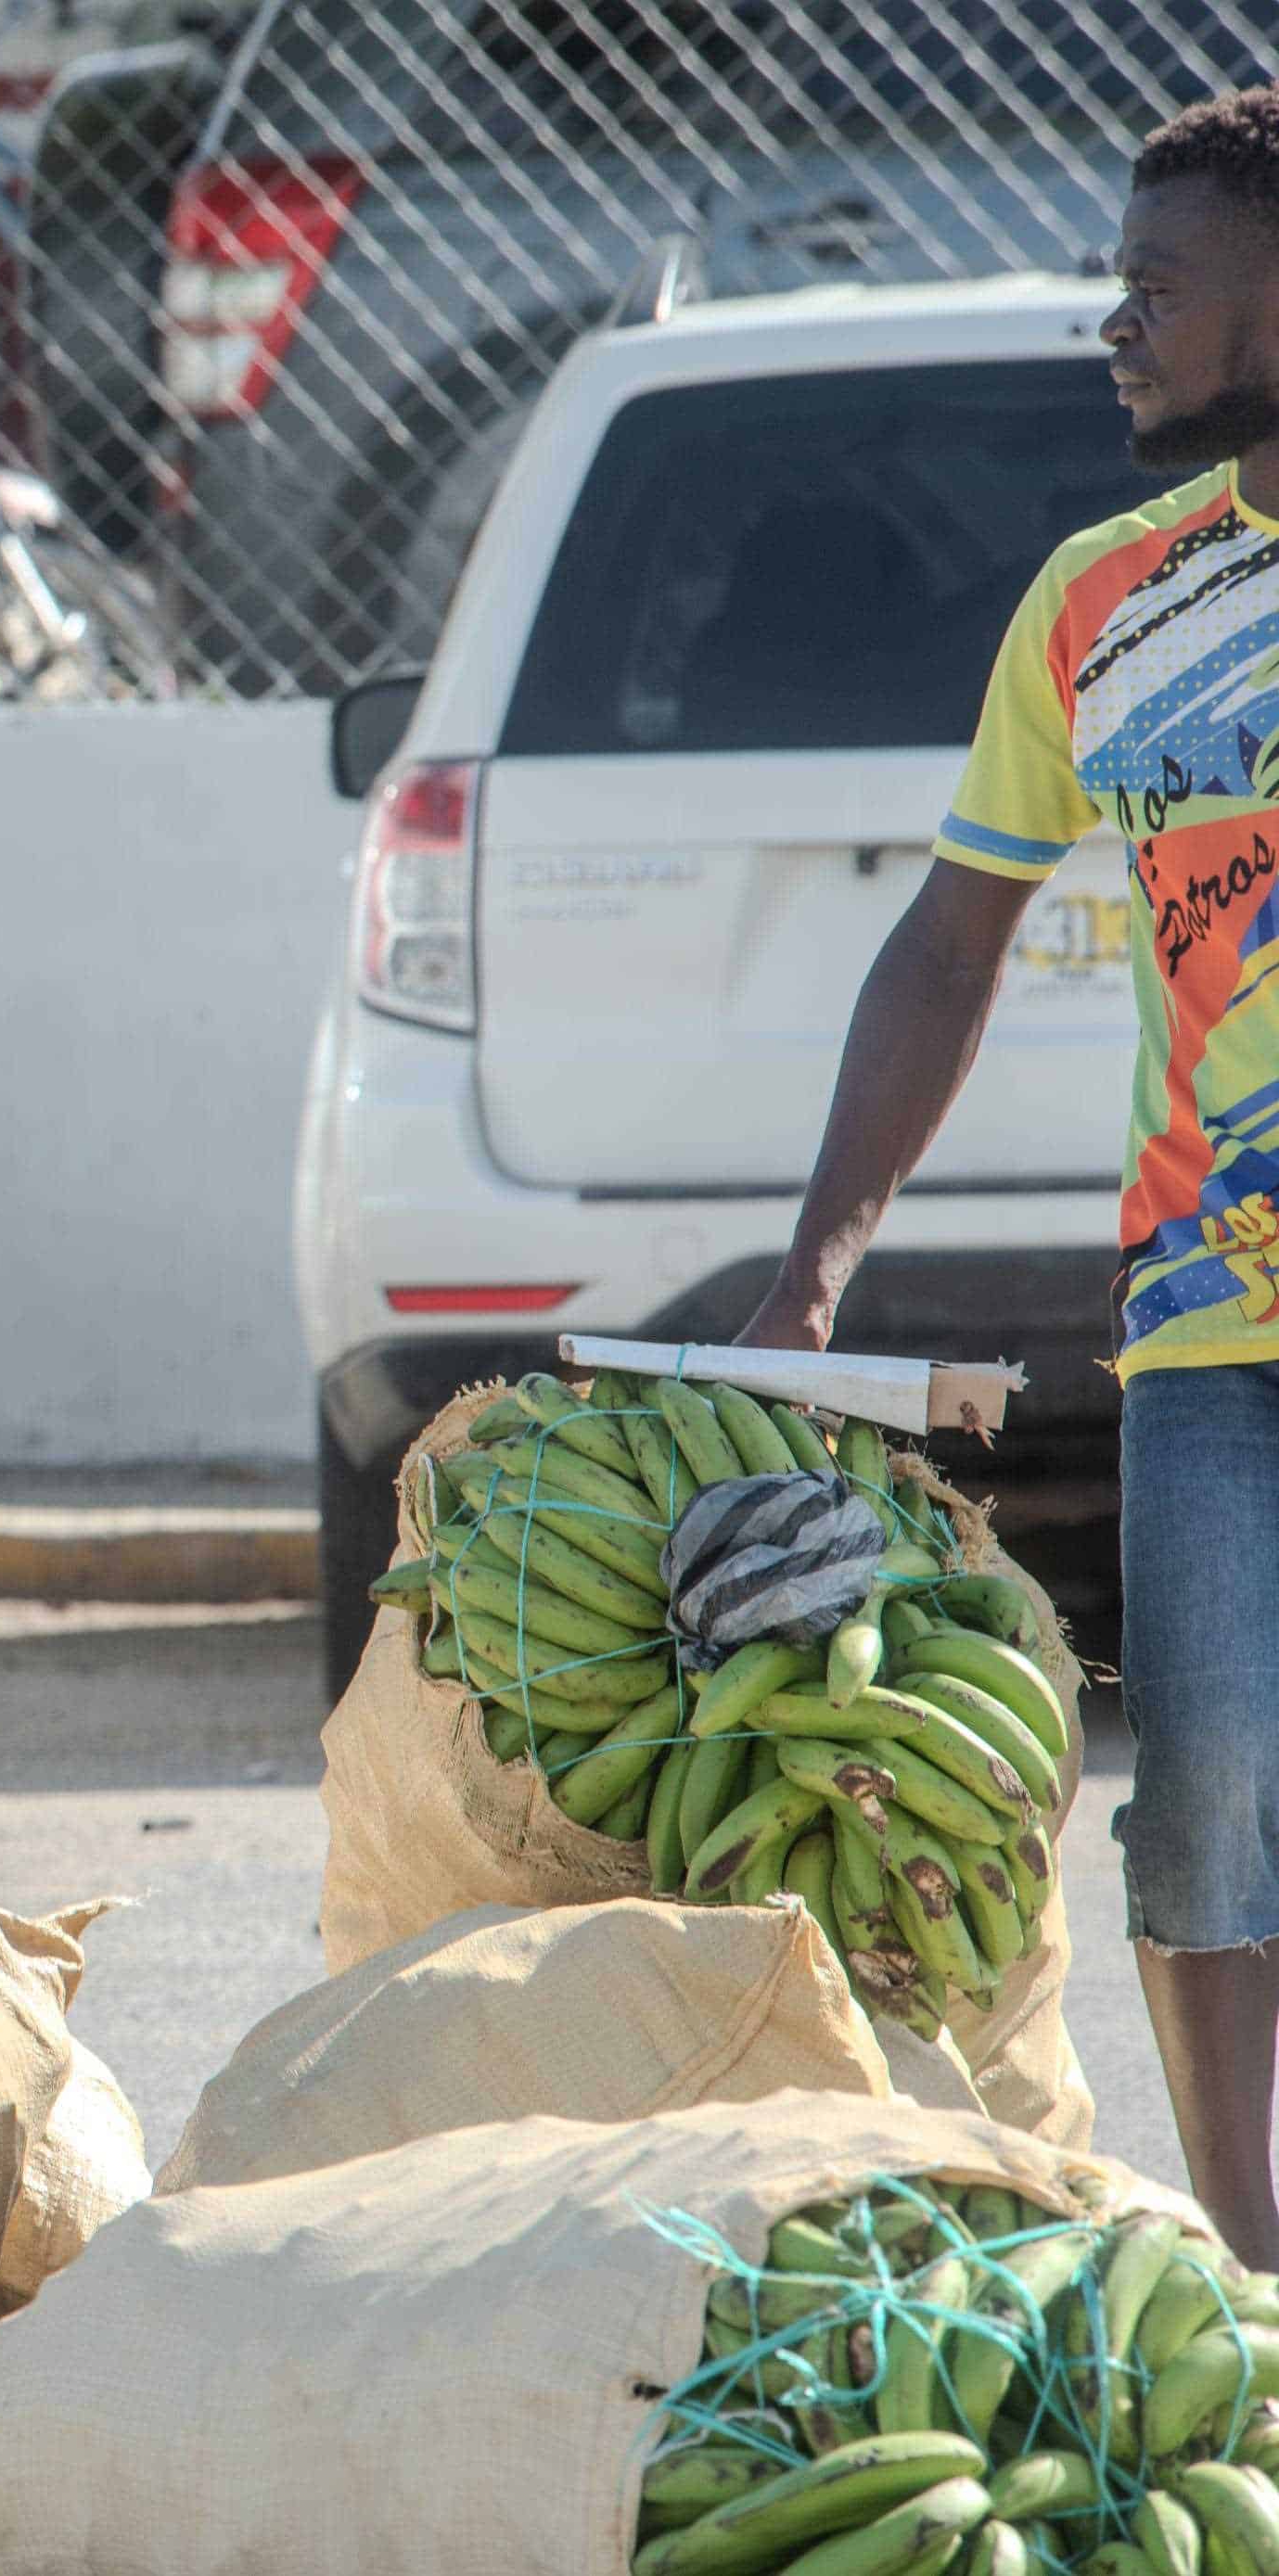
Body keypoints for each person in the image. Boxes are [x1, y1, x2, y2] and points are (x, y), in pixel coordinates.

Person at [740, 90, 1279, 2265]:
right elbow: (948, 942)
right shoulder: (1106, 605)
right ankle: (1253, 2288)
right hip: (1208, 1330)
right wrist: (816, 1267)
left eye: (1157, 281)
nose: (1114, 320)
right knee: (1209, 1803)